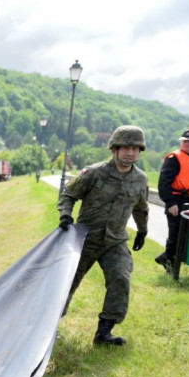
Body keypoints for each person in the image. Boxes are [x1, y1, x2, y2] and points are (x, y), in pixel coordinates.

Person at [57, 125, 149, 346]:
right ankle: (48, 325)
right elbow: (68, 195)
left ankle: (104, 332)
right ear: (113, 149)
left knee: (120, 279)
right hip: (84, 240)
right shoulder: (93, 173)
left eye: (135, 149)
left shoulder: (140, 179)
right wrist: (65, 215)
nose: (131, 153)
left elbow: (141, 208)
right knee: (65, 284)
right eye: (126, 147)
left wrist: (142, 231)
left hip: (115, 241)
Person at [156, 129, 189, 275]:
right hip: (177, 202)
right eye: (184, 141)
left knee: (188, 236)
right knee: (176, 236)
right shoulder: (174, 158)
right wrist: (170, 203)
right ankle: (171, 269)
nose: (186, 143)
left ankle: (166, 259)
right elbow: (163, 183)